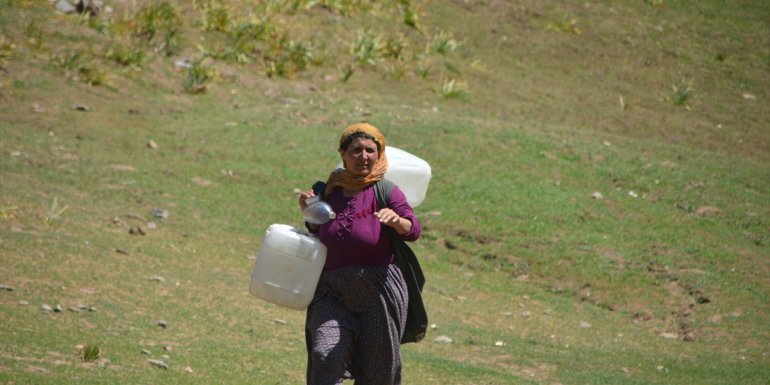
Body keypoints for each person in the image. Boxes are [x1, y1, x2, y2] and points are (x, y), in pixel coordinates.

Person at [297, 123, 421, 385]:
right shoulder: (328, 190)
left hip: (378, 292)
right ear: (342, 154)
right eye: (355, 150)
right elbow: (317, 229)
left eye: (370, 150)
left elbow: (413, 229)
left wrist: (396, 220)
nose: (363, 156)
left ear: (379, 154)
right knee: (323, 353)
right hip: (331, 291)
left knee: (378, 370)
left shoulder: (386, 191)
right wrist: (309, 211)